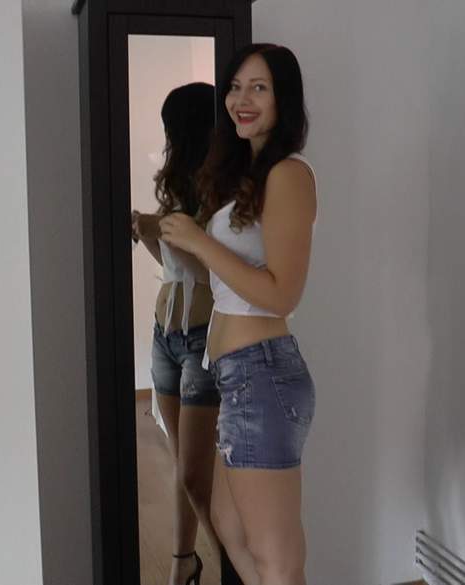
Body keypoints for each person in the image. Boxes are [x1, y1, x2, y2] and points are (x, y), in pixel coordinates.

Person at [158, 44, 318, 585]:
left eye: (259, 88)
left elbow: (282, 294)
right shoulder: (248, 175)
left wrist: (200, 242)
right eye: (234, 87)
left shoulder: (289, 174)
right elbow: (233, 283)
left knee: (277, 558)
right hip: (237, 374)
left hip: (261, 372)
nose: (241, 100)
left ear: (283, 100)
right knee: (228, 524)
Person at [131, 82, 221, 585]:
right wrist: (152, 234)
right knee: (181, 464)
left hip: (205, 338)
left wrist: (165, 230)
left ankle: (233, 569)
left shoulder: (224, 193)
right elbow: (174, 270)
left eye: (171, 129)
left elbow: (217, 275)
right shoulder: (179, 190)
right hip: (165, 334)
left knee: (194, 475)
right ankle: (181, 565)